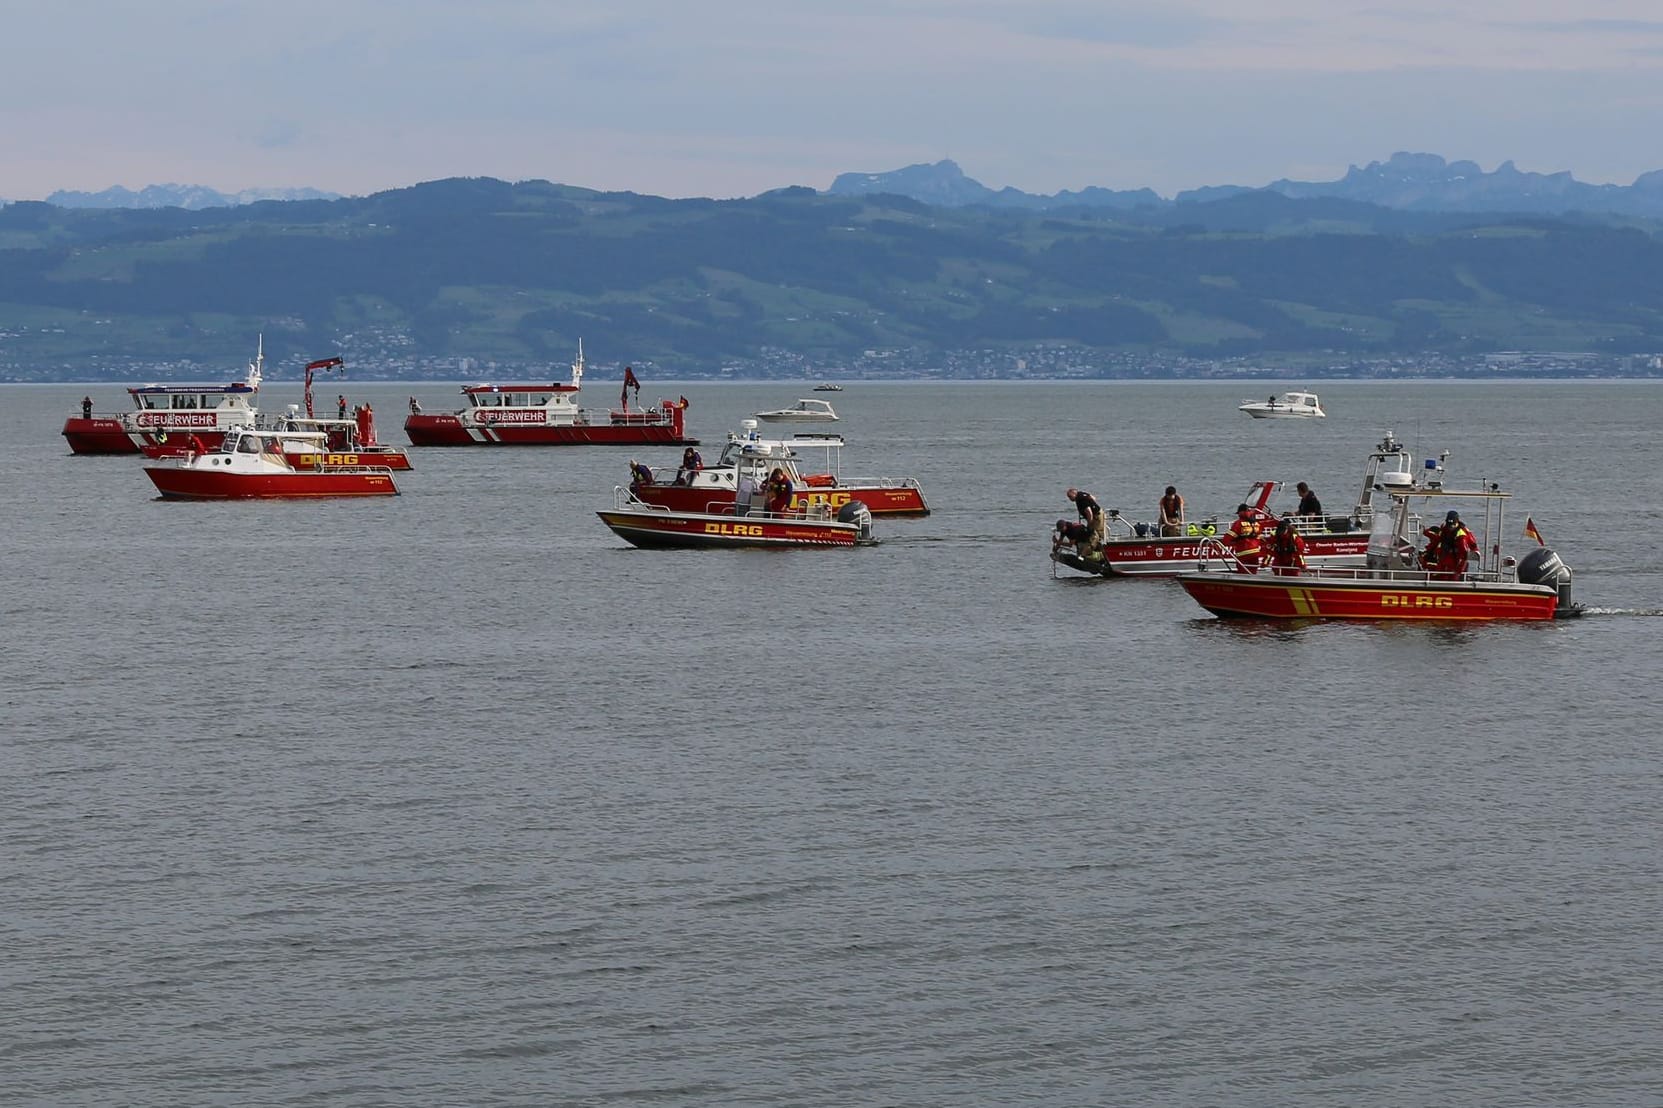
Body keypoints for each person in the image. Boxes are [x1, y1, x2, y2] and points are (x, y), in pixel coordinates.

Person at [1422, 509, 1479, 578]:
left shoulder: (1461, 536)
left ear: (1456, 523)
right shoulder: (1444, 528)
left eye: (1452, 525)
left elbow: (1464, 555)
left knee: (1452, 578)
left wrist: (1458, 571)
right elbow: (1438, 538)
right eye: (1449, 525)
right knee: (1439, 575)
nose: (1450, 527)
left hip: (1456, 560)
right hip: (1444, 558)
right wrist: (1426, 533)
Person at [1224, 503, 1263, 572]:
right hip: (1255, 553)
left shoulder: (1238, 524)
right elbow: (1259, 538)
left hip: (1243, 554)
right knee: (1253, 572)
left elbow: (1227, 539)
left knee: (1243, 574)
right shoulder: (1256, 524)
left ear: (1241, 512)